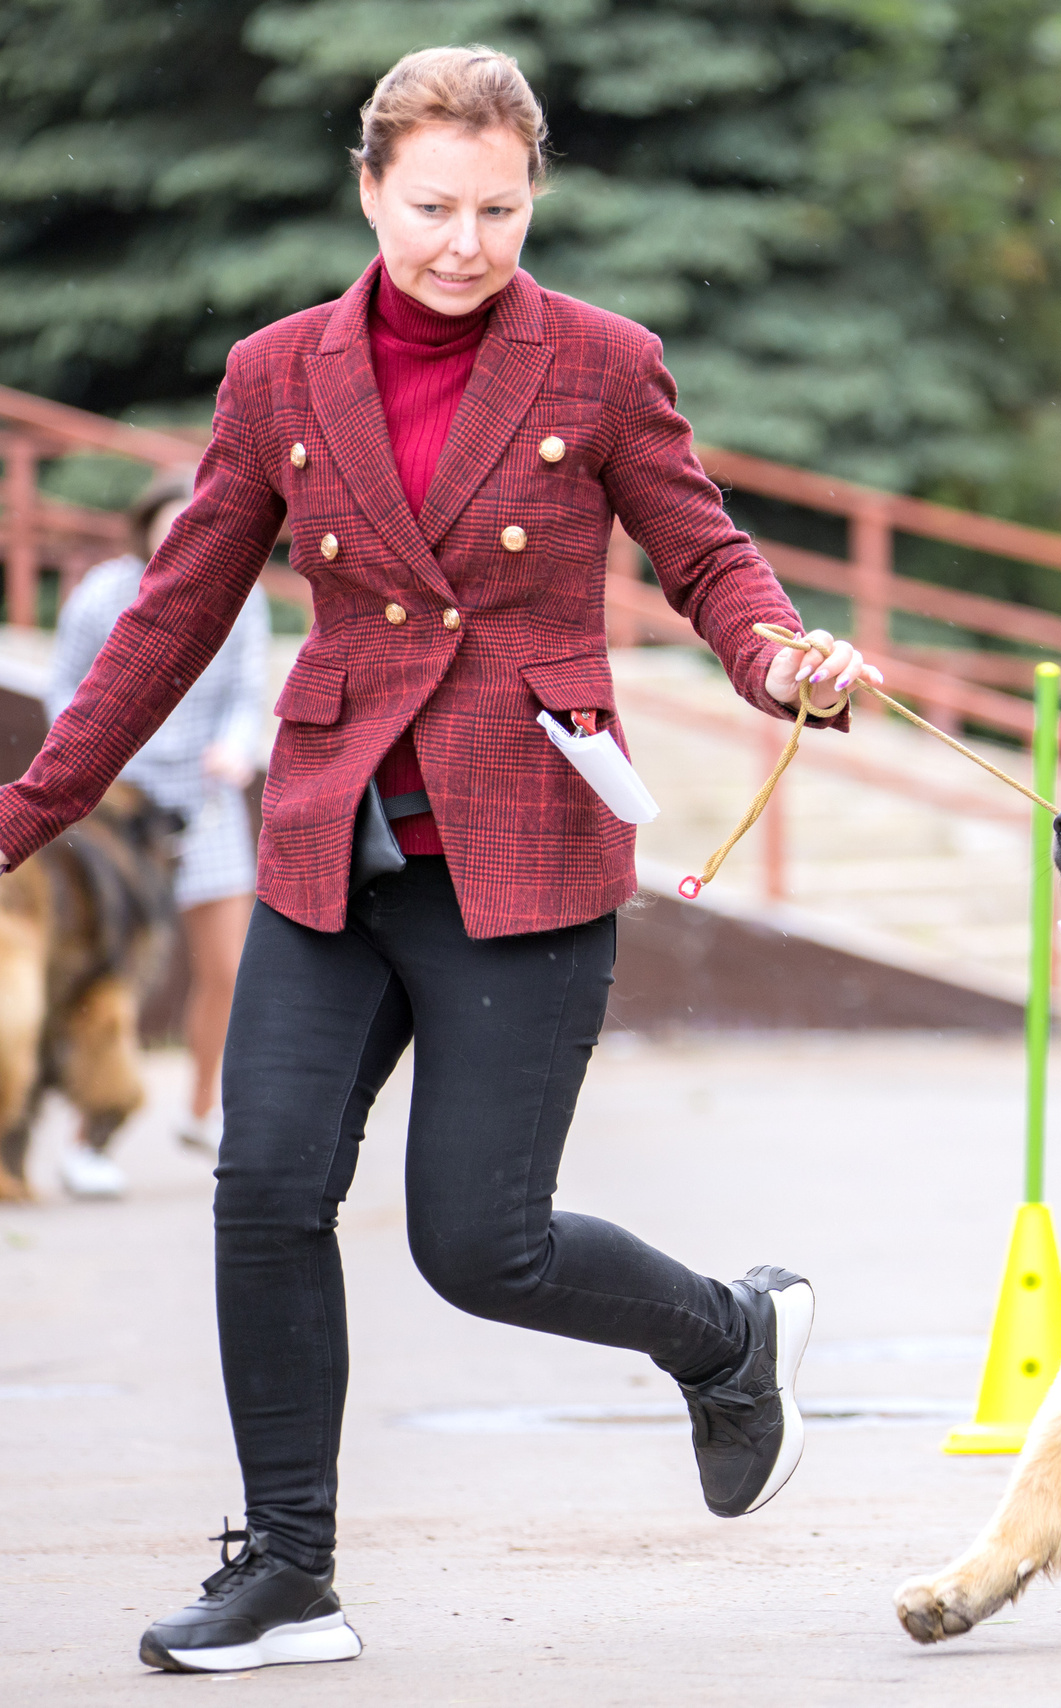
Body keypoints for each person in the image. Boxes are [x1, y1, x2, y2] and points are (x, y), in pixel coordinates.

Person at [0, 45, 881, 1674]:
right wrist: (26, 809)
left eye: (498, 207)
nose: (465, 241)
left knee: (484, 1246)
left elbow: (709, 558)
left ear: (533, 194)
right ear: (367, 191)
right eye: (431, 207)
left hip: (524, 845)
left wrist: (781, 660)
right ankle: (286, 1570)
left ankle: (728, 1330)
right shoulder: (277, 375)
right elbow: (176, 609)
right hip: (332, 841)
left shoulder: (602, 365)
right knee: (262, 1187)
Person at [47, 464, 271, 1196]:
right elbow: (64, 689)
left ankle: (204, 1110)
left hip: (204, 802)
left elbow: (248, 694)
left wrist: (237, 751)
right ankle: (91, 1137)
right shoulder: (106, 593)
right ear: (143, 525)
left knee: (229, 971)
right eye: (167, 520)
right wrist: (87, 770)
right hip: (120, 807)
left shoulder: (244, 595)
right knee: (112, 980)